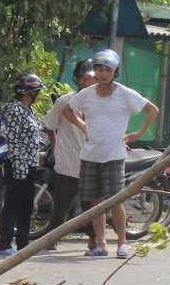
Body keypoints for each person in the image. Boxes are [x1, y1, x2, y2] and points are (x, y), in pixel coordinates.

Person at [61, 48, 156, 258]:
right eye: (99, 69)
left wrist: (138, 133)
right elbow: (67, 110)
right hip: (89, 155)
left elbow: (152, 110)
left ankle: (122, 243)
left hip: (114, 155)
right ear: (94, 71)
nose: (103, 74)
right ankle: (102, 244)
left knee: (115, 201)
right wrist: (81, 124)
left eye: (108, 70)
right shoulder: (85, 95)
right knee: (95, 202)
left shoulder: (125, 94)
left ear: (115, 72)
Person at [41, 59, 97, 246]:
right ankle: (52, 239)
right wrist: (56, 145)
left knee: (92, 203)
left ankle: (94, 238)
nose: (84, 81)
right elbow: (50, 126)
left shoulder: (102, 104)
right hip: (67, 159)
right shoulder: (64, 101)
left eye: (88, 78)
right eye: (81, 77)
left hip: (92, 159)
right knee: (61, 204)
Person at [0, 73, 46, 255]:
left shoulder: (28, 110)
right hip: (17, 164)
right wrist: (19, 166)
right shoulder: (14, 110)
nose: (38, 95)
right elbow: (12, 140)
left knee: (27, 205)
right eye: (37, 92)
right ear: (30, 92)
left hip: (29, 163)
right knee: (12, 204)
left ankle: (23, 243)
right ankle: (4, 244)